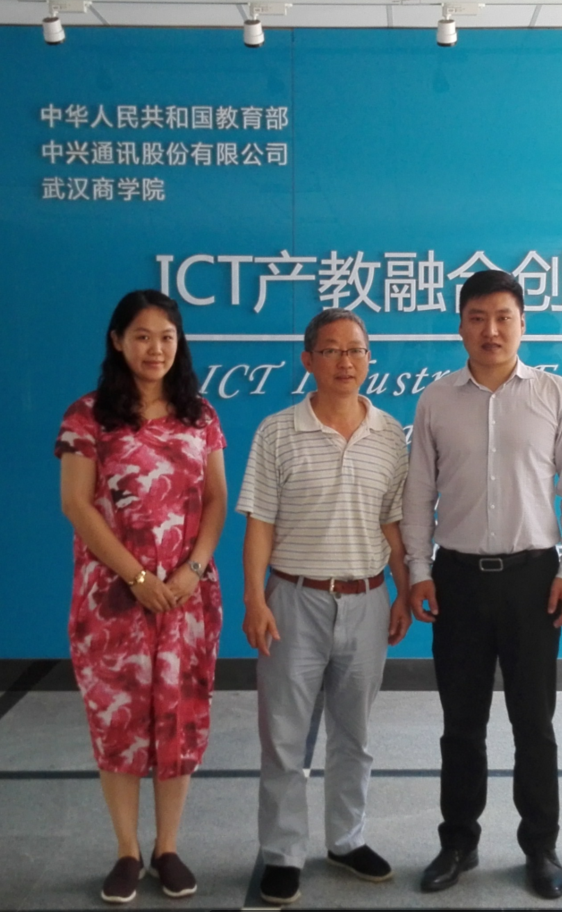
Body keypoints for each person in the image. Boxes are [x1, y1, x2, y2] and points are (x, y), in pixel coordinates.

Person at [402, 269, 562, 901]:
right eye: (478, 318)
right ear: (460, 326)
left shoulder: (555, 394)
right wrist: (419, 570)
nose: (491, 330)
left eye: (504, 317)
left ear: (522, 324)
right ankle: (458, 841)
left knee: (534, 723)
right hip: (456, 578)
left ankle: (541, 846)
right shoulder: (436, 399)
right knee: (462, 723)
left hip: (532, 579)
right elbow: (418, 492)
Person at [56, 289, 228, 904]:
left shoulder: (199, 414)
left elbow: (216, 499)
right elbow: (77, 504)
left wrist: (192, 570)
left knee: (181, 719)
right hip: (113, 601)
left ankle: (168, 848)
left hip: (187, 597)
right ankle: (127, 851)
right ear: (117, 341)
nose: (156, 349)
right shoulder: (88, 416)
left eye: (166, 337)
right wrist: (138, 579)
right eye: (142, 336)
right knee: (119, 722)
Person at [237, 309, 412, 906]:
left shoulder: (389, 433)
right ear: (308, 359)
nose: (345, 362)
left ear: (369, 359)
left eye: (356, 350)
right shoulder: (276, 431)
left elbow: (393, 523)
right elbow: (260, 523)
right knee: (284, 738)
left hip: (367, 601)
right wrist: (255, 598)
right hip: (294, 600)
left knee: (354, 735)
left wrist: (403, 589)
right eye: (332, 350)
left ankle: (346, 839)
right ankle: (283, 853)